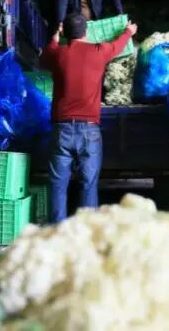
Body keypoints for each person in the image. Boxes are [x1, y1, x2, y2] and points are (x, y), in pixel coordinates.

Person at [40, 13, 137, 222]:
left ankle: (57, 230)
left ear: (65, 32)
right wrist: (129, 31)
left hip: (62, 129)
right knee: (88, 184)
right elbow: (118, 45)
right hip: (89, 131)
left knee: (58, 185)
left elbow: (45, 56)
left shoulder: (58, 54)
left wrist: (55, 37)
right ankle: (87, 230)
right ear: (86, 31)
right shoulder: (99, 51)